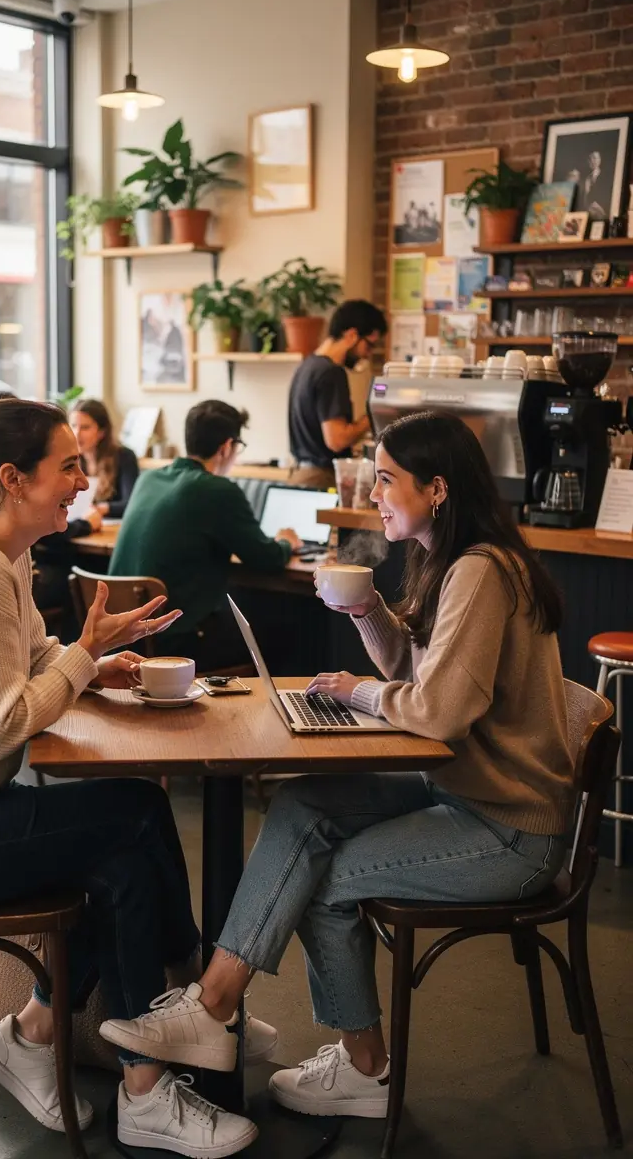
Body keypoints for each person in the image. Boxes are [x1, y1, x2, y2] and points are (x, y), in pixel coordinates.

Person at [99, 411, 576, 1125]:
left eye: (386, 479)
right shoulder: (462, 561)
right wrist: (369, 610)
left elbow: (439, 712)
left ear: (437, 488)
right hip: (469, 790)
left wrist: (354, 692)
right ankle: (218, 1007)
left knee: (324, 878)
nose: (374, 492)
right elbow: (421, 677)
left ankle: (361, 1067)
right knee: (302, 803)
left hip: (508, 828)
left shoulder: (479, 570)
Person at [0, 397, 268, 1155]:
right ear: (14, 479)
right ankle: (193, 1005)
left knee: (119, 857)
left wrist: (92, 658)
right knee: (138, 815)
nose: (83, 480)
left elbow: (34, 657)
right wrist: (81, 662)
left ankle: (79, 1046)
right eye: (68, 465)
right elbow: (3, 724)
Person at [110, 400, 301, 671]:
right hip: (178, 642)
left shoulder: (148, 479)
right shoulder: (216, 490)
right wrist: (285, 542)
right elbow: (267, 558)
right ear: (226, 447)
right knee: (294, 630)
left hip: (124, 640)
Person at [31, 398, 139, 636]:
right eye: (74, 425)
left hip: (99, 536)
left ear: (101, 431)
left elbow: (132, 502)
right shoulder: (66, 460)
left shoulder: (122, 456)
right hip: (74, 537)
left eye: (86, 427)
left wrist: (102, 509)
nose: (78, 433)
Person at [287, 300, 387, 488]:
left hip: (300, 474)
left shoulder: (307, 366)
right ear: (351, 335)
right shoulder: (331, 372)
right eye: (369, 345)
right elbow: (337, 440)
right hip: (320, 479)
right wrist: (375, 413)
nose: (367, 355)